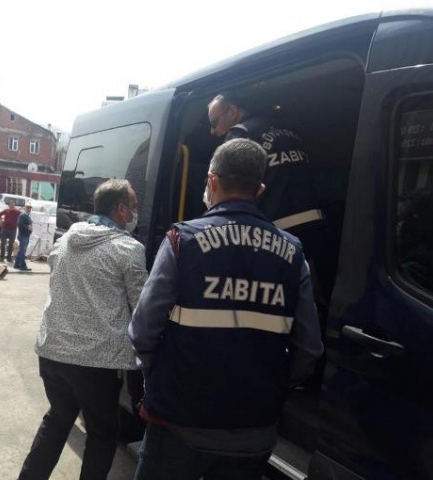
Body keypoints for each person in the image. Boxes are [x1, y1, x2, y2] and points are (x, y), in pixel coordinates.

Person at [128, 139, 323, 480]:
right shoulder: (294, 254)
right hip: (252, 430)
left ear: (212, 181)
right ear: (260, 189)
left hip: (178, 422)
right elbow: (309, 350)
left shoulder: (182, 240)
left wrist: (158, 376)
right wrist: (270, 382)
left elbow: (143, 330)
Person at [17, 179, 148, 480]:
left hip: (52, 353)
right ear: (120, 209)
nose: (135, 212)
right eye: (133, 206)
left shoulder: (65, 240)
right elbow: (142, 307)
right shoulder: (129, 248)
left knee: (57, 420)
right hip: (97, 362)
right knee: (102, 434)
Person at [207, 93, 331, 299]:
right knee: (312, 293)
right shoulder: (289, 131)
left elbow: (220, 191)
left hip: (276, 232)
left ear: (232, 112)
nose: (213, 131)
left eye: (214, 122)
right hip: (315, 224)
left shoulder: (240, 135)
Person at [14, 204, 33, 271]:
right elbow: (19, 224)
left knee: (21, 251)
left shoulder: (28, 216)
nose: (29, 209)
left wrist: (30, 229)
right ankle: (23, 266)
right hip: (23, 235)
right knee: (23, 251)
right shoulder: (22, 215)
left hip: (26, 235)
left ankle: (17, 264)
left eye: (30, 208)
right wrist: (27, 227)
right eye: (27, 208)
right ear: (25, 208)